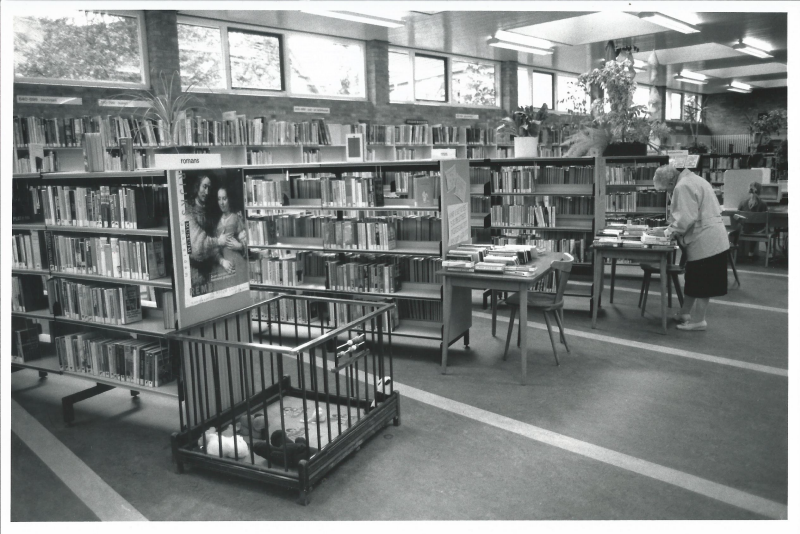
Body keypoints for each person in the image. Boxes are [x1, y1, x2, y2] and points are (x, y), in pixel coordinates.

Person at [650, 165, 730, 331]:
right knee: (694, 279)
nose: (668, 192)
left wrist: (666, 232)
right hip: (711, 237)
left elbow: (685, 219)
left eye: (667, 189)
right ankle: (685, 313)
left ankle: (699, 321)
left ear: (671, 181)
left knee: (702, 282)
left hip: (706, 240)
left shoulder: (682, 186)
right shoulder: (695, 179)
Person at [185, 175, 234, 295]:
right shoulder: (187, 210)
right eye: (204, 187)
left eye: (209, 188)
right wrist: (218, 241)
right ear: (197, 186)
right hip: (193, 272)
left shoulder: (208, 213)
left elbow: (212, 249)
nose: (206, 192)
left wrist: (222, 261)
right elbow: (197, 247)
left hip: (208, 272)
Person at [212, 185, 248, 279]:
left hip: (238, 264)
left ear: (229, 199)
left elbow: (247, 243)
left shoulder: (236, 218)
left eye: (224, 198)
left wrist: (240, 246)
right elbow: (213, 250)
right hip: (223, 267)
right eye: (219, 199)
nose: (221, 203)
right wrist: (222, 262)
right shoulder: (217, 223)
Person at [737, 181, 768, 260]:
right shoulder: (763, 204)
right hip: (758, 230)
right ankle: (769, 253)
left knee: (751, 225)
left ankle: (750, 253)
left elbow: (737, 215)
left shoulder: (742, 202)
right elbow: (765, 219)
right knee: (766, 228)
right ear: (760, 191)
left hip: (745, 230)